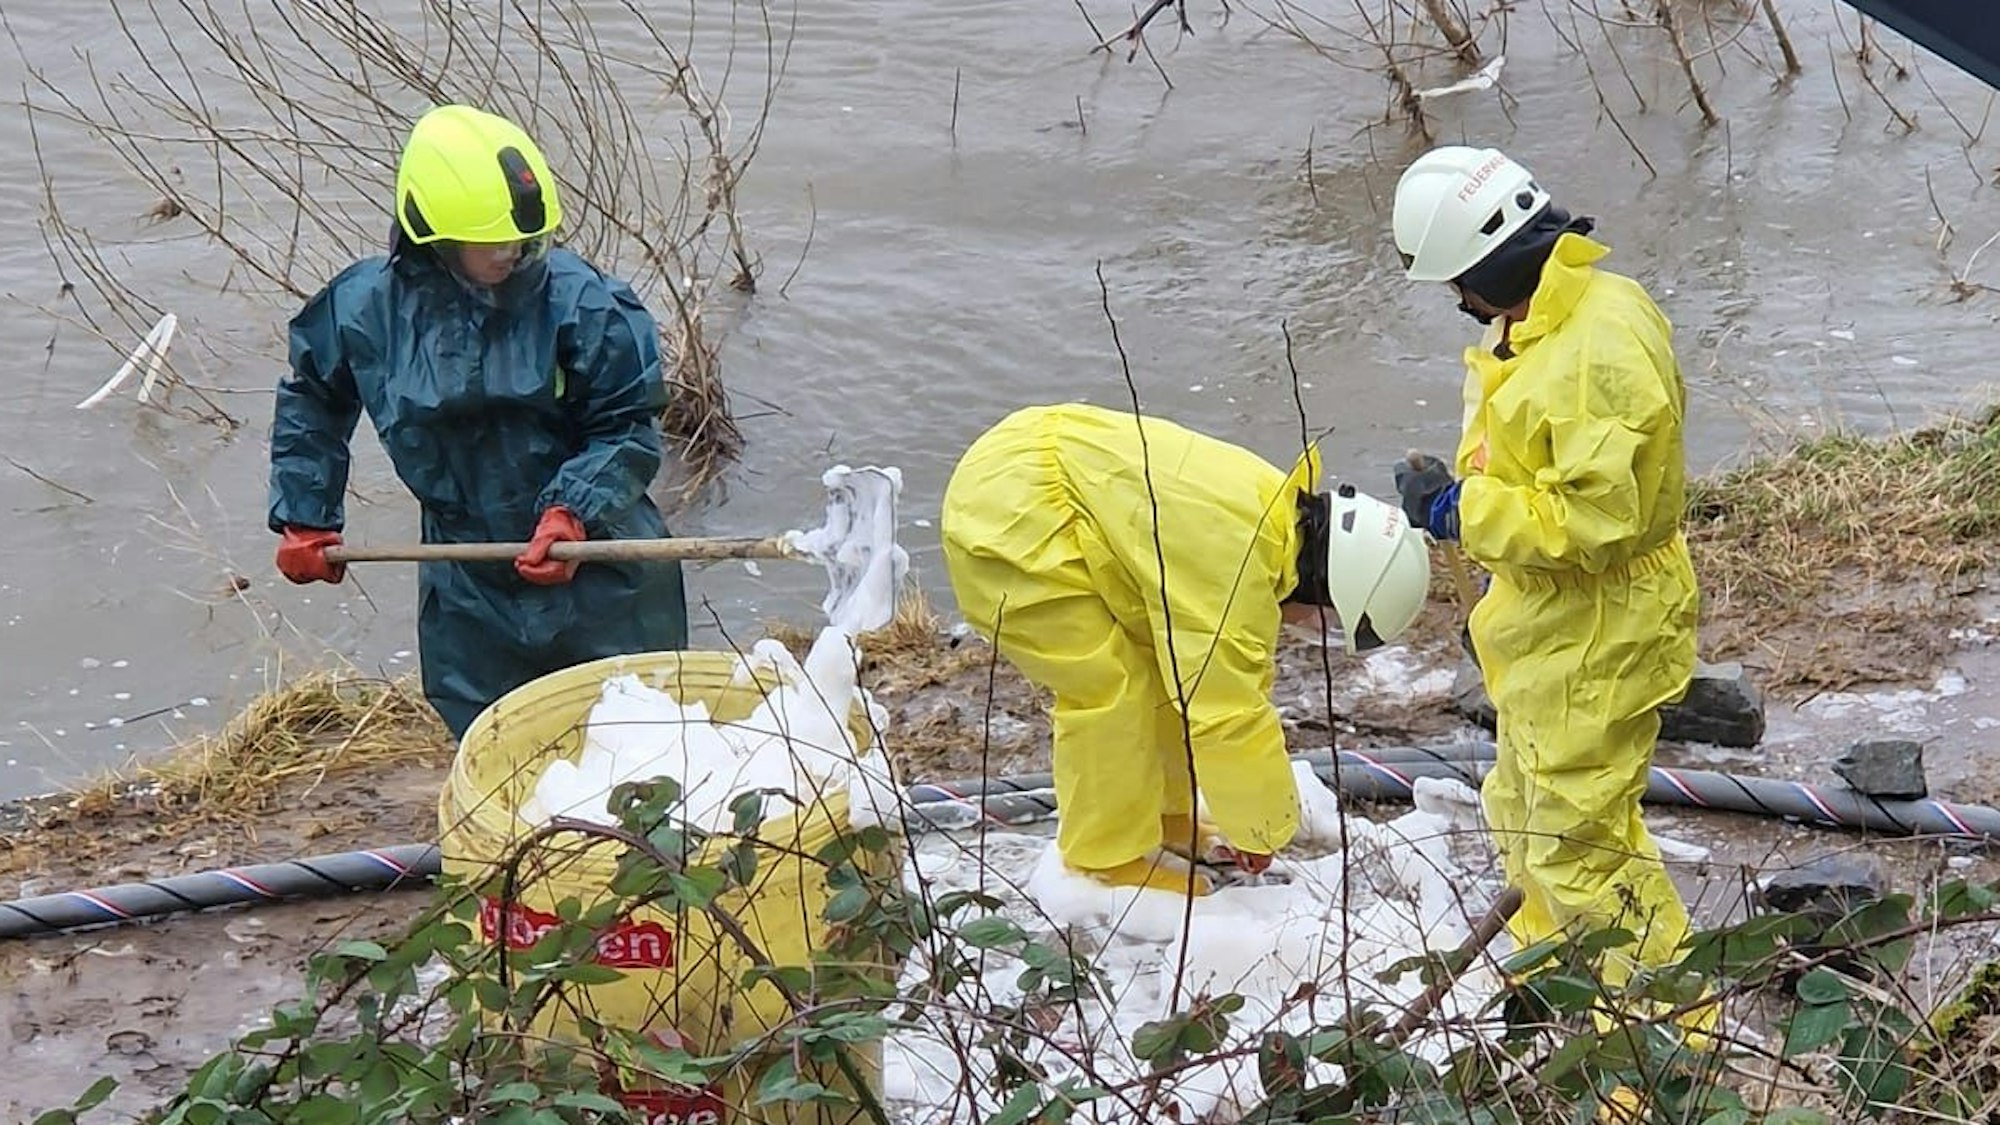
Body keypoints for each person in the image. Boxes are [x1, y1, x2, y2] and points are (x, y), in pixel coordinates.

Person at [267, 104, 689, 740]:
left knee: (636, 740)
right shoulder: (362, 309)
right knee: (496, 747)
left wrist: (573, 509)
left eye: (520, 238)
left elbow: (627, 429)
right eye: (490, 240)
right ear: (430, 233)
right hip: (466, 578)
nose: (510, 251)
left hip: (600, 562)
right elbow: (312, 400)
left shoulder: (583, 304)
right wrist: (306, 513)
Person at [1389, 145, 1700, 989]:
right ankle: (1558, 991)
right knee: (1526, 817)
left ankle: (1657, 1052)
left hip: (1600, 623)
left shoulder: (1598, 349)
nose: (1458, 302)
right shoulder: (1540, 320)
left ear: (1488, 263)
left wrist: (1463, 511)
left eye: (1458, 282)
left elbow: (1599, 519)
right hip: (1544, 618)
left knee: (1581, 852)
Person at [940, 403, 1432, 895]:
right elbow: (1228, 713)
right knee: (1110, 692)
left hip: (1032, 469)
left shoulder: (1270, 515)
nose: (1308, 628)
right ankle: (1104, 857)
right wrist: (1260, 832)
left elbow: (1190, 673)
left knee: (1161, 669)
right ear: (1329, 584)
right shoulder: (1235, 571)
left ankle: (1165, 819)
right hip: (1011, 518)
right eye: (1327, 621)